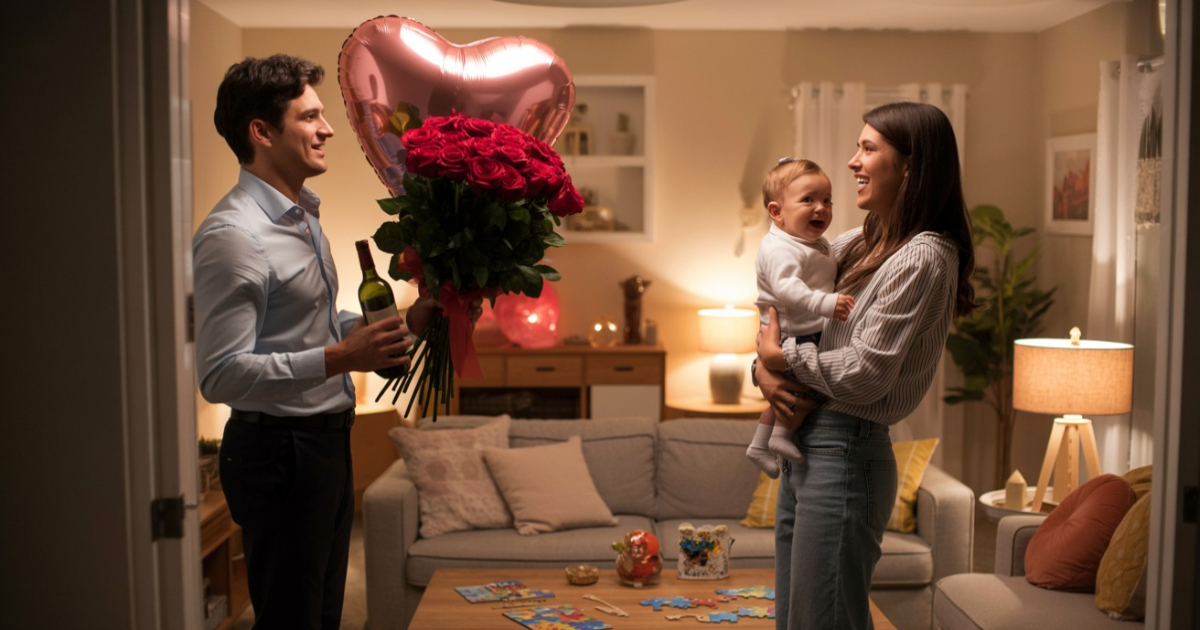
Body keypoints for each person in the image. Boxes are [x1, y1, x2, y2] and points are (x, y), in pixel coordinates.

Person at [194, 54, 427, 630]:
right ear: (262, 131)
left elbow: (319, 324)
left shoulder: (302, 216)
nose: (327, 129)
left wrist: (417, 315)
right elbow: (220, 373)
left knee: (323, 615)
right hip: (277, 454)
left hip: (323, 446)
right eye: (311, 116)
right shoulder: (234, 235)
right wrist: (343, 358)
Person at [754, 101, 976, 630]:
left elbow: (863, 374)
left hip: (845, 450)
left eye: (869, 148)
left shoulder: (924, 255)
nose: (853, 162)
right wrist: (763, 372)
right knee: (797, 618)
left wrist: (782, 359)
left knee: (823, 619)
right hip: (808, 444)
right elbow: (780, 313)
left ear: (910, 166)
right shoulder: (859, 240)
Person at [745, 158, 854, 478]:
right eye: (808, 200)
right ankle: (772, 438)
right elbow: (786, 288)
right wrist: (826, 303)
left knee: (799, 394)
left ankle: (767, 441)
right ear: (777, 212)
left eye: (827, 200)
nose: (821, 208)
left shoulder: (811, 243)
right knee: (803, 393)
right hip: (793, 333)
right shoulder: (781, 248)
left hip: (802, 332)